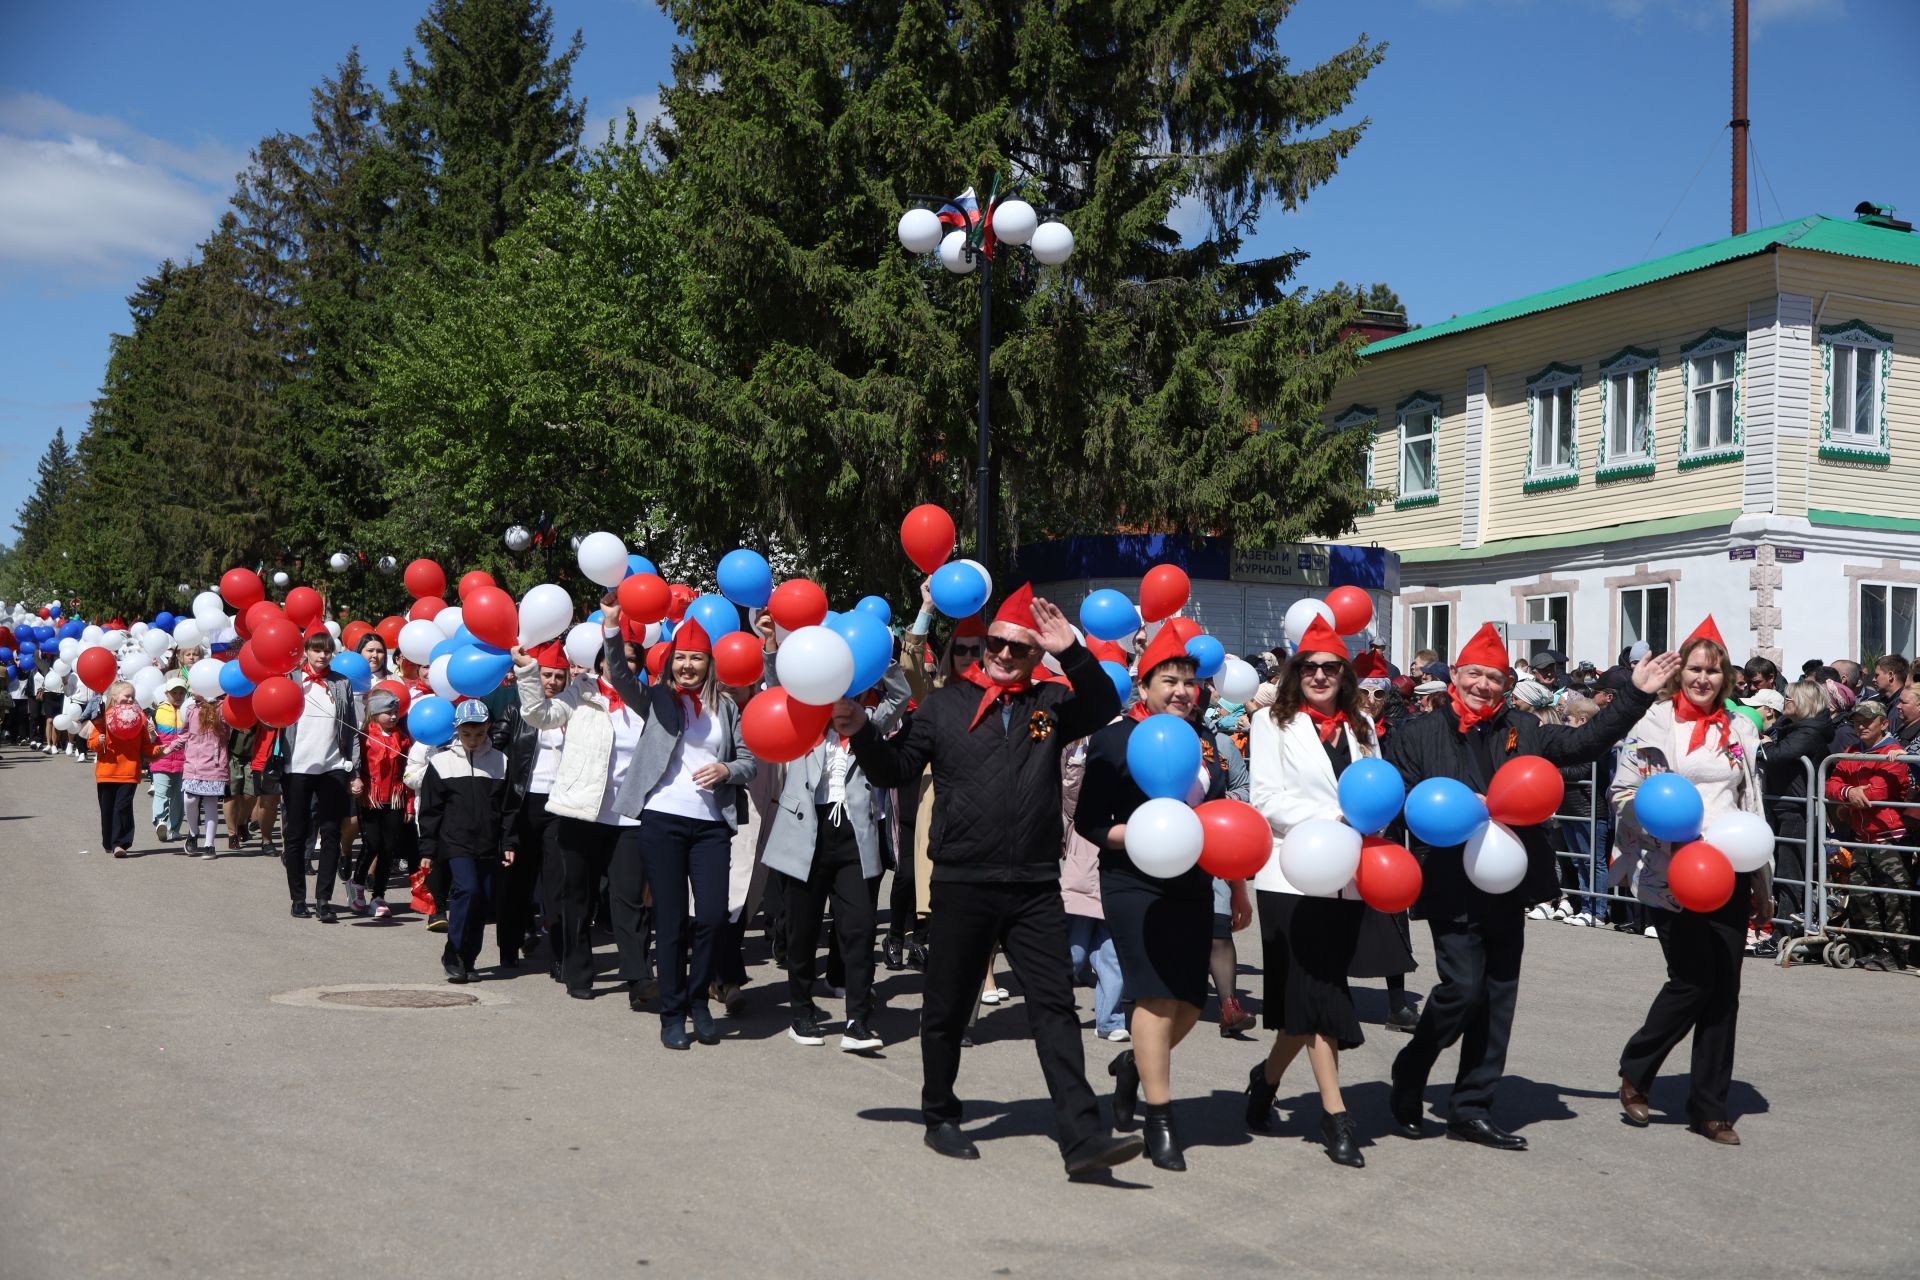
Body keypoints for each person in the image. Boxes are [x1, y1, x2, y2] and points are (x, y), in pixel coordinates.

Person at [840, 584, 1142, 1176]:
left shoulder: (1052, 702)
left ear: (1035, 656)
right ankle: (940, 1114)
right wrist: (862, 732)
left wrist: (1072, 650)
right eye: (996, 645)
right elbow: (898, 767)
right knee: (947, 1006)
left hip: (1033, 885)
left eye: (1018, 649)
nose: (1003, 654)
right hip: (962, 880)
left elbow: (1106, 703)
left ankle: (1082, 1139)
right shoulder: (945, 706)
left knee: (1054, 1007)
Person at [1384, 622, 1673, 1151]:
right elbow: (1398, 799)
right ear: (1455, 676)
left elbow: (1587, 741)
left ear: (1506, 684)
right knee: (1460, 991)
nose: (1483, 686)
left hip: (1506, 879)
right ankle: (1413, 1067)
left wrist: (1635, 693)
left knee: (1497, 997)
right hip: (1447, 880)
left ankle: (1471, 1107)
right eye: (1474, 674)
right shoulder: (1417, 735)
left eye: (1494, 678)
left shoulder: (1526, 729)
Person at [1073, 624, 1231, 1172]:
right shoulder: (1115, 737)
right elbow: (1090, 821)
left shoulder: (1205, 741)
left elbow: (1219, 818)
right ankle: (1161, 1121)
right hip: (1131, 881)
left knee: (1189, 1001)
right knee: (1153, 995)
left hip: (1192, 882)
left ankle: (1131, 1066)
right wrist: (1141, 835)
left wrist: (1235, 886)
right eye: (1170, 681)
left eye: (1190, 682)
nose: (1182, 691)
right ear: (1144, 687)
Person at [1610, 617, 1765, 1144]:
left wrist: (1761, 885)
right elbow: (1620, 796)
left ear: (1726, 677)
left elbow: (1751, 804)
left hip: (1729, 870)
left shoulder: (1741, 729)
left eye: (1713, 671)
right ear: (1681, 673)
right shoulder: (1650, 725)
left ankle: (1710, 1109)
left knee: (1725, 992)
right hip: (1667, 870)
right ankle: (1638, 1065)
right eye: (1695, 669)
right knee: (1693, 979)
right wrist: (1651, 818)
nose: (1703, 679)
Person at [1245, 616, 1379, 1168]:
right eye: (1309, 667)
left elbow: (1379, 792)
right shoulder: (1270, 725)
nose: (1320, 676)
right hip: (1290, 876)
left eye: (1331, 667)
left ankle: (1265, 1078)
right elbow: (1266, 801)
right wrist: (1335, 816)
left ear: (1344, 673)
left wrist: (1368, 826)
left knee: (1306, 1001)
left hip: (1345, 878)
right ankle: (1335, 1116)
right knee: (1320, 994)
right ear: (1293, 672)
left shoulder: (1364, 728)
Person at [598, 607, 758, 1052]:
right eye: (681, 657)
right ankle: (672, 1014)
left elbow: (749, 761)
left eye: (698, 658)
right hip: (662, 819)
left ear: (710, 664)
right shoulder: (655, 698)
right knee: (669, 921)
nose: (688, 665)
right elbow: (618, 673)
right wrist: (612, 627)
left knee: (710, 917)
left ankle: (698, 1001)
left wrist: (727, 768)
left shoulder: (726, 707)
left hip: (711, 825)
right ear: (670, 662)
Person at [762, 646, 911, 1051]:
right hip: (805, 834)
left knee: (860, 929)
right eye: (835, 692)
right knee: (802, 931)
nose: (843, 702)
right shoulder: (802, 723)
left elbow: (899, 695)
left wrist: (880, 656)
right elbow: (775, 685)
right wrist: (773, 647)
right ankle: (802, 1012)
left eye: (852, 692)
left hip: (856, 838)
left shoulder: (870, 724)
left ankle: (858, 1021)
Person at [416, 699, 516, 983]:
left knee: (483, 902)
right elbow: (430, 811)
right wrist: (428, 849)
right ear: (456, 731)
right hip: (455, 842)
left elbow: (508, 808)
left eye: (480, 733)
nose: (474, 740)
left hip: (488, 842)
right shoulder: (441, 763)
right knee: (468, 891)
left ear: (488, 729)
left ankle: (469, 959)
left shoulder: (500, 762)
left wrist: (508, 843)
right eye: (467, 734)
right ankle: (453, 951)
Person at [493, 641, 569, 968]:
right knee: (516, 884)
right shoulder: (516, 710)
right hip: (522, 805)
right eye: (546, 675)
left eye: (558, 676)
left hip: (560, 808)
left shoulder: (574, 713)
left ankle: (561, 958)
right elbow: (494, 748)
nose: (551, 681)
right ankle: (508, 950)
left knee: (557, 886)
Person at [277, 627, 360, 922]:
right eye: (316, 649)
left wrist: (355, 770)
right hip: (296, 767)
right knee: (297, 834)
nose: (322, 655)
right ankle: (298, 898)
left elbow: (351, 728)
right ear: (306, 652)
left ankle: (324, 899)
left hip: (333, 767)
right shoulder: (290, 680)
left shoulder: (341, 683)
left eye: (327, 650)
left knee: (331, 832)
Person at [1825, 700, 1912, 972]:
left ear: (1883, 724)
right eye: (1857, 721)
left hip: (1889, 836)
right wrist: (1849, 793)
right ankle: (1877, 948)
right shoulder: (1852, 751)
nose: (1860, 726)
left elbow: (1878, 792)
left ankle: (1898, 953)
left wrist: (1850, 792)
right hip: (1862, 835)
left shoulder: (1894, 753)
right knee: (1863, 894)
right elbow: (1831, 784)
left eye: (1867, 721)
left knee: (1894, 897)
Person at [1060, 740, 1127, 1042]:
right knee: (1073, 951)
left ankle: (1111, 1021)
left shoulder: (1133, 751)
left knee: (1111, 953)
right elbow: (1070, 803)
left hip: (1119, 864)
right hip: (1085, 860)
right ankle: (1054, 1009)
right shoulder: (1080, 747)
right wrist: (1078, 760)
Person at [349, 688, 411, 918]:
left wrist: (410, 804)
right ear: (375, 714)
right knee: (372, 844)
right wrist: (355, 784)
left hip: (395, 798)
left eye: (395, 711)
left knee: (388, 848)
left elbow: (408, 772)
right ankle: (357, 886)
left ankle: (379, 895)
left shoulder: (403, 739)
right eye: (388, 712)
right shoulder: (363, 736)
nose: (393, 716)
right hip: (370, 799)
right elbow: (355, 765)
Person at [84, 681, 155, 857]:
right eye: (126, 696)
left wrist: (159, 743)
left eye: (133, 696)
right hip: (106, 772)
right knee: (107, 809)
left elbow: (147, 746)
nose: (130, 699)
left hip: (129, 771)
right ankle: (108, 842)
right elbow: (91, 743)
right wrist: (98, 742)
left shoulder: (140, 718)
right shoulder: (104, 717)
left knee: (122, 807)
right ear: (115, 698)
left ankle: (119, 844)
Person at [178, 692, 230, 857]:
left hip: (213, 764)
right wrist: (167, 748)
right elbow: (185, 734)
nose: (192, 690)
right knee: (190, 799)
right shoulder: (191, 708)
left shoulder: (222, 708)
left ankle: (209, 844)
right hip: (192, 765)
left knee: (210, 803)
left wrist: (217, 706)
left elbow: (228, 728)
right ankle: (193, 833)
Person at [149, 674, 188, 844]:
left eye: (181, 693)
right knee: (161, 793)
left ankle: (175, 829)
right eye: (174, 693)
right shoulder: (157, 711)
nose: (178, 696)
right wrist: (150, 733)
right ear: (166, 694)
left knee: (178, 797)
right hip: (160, 759)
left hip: (183, 761)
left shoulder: (189, 710)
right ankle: (160, 822)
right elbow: (150, 739)